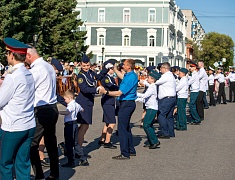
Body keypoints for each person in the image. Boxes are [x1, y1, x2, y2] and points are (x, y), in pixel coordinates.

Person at [0, 38, 35, 179]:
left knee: (5, 164)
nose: (6, 56)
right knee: (22, 164)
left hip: (13, 127)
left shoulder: (12, 77)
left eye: (7, 53)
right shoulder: (28, 73)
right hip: (28, 123)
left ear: (12, 55)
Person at [25, 46, 59, 180]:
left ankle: (39, 175)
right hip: (51, 107)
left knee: (32, 143)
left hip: (41, 109)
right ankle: (54, 173)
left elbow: (27, 87)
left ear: (29, 55)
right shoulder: (48, 66)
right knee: (51, 142)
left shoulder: (37, 69)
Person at [99, 59, 138, 160]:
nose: (122, 66)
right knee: (126, 128)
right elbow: (122, 77)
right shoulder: (130, 75)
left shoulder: (131, 77)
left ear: (128, 67)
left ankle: (125, 153)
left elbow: (119, 92)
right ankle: (130, 149)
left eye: (124, 65)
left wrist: (106, 92)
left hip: (126, 103)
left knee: (122, 129)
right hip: (127, 103)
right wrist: (115, 69)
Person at [75, 55, 114, 151]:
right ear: (81, 65)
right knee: (84, 125)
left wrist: (106, 68)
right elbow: (84, 89)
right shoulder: (80, 76)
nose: (86, 67)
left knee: (85, 125)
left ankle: (75, 144)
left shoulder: (91, 73)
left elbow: (99, 76)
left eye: (87, 65)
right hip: (83, 101)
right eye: (84, 66)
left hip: (89, 101)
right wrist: (96, 90)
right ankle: (78, 148)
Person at [59, 90, 89, 167]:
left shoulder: (70, 105)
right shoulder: (76, 104)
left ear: (69, 98)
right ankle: (83, 157)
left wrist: (59, 112)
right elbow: (82, 109)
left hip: (69, 125)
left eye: (65, 99)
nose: (65, 101)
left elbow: (67, 112)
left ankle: (70, 161)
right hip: (75, 124)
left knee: (69, 143)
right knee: (75, 143)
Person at [136, 70, 161, 149]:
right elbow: (144, 99)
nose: (147, 79)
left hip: (152, 108)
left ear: (153, 79)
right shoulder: (151, 86)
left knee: (146, 125)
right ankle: (151, 140)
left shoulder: (152, 87)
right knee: (149, 125)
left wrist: (134, 93)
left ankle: (154, 141)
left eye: (149, 78)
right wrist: (135, 99)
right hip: (150, 107)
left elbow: (144, 96)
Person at [99, 62, 119, 149]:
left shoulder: (110, 77)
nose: (113, 70)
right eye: (111, 68)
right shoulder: (106, 77)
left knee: (107, 122)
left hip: (110, 100)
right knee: (112, 122)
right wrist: (121, 88)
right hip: (107, 100)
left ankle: (102, 139)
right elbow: (111, 86)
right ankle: (107, 141)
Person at [155, 62, 176, 139]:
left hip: (166, 98)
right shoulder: (171, 75)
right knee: (169, 116)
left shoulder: (166, 76)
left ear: (165, 68)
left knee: (161, 115)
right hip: (171, 98)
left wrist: (146, 82)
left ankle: (165, 132)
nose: (160, 70)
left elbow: (156, 82)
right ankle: (171, 132)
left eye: (161, 68)